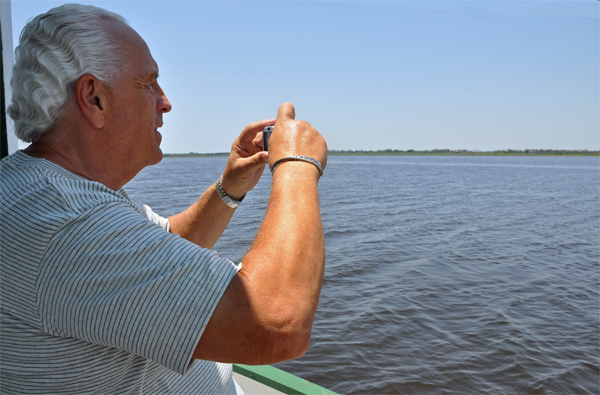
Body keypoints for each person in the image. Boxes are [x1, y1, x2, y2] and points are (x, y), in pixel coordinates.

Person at [0, 4, 327, 394]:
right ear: (94, 98)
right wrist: (296, 164)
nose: (166, 101)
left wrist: (230, 187)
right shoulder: (63, 221)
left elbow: (170, 240)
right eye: (148, 83)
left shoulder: (48, 191)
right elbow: (276, 323)